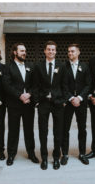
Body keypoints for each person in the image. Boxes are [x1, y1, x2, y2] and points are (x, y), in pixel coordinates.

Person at [1, 43, 37, 166]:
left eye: (25, 50)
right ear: (15, 52)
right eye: (21, 50)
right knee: (13, 130)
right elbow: (7, 85)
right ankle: (11, 154)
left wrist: (29, 94)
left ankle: (31, 153)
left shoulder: (30, 66)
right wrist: (20, 95)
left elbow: (35, 84)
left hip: (28, 104)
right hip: (14, 104)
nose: (24, 53)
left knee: (29, 130)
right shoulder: (7, 67)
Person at [34, 41, 64, 170]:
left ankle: (56, 157)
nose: (51, 51)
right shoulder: (38, 66)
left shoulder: (61, 66)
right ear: (45, 51)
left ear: (56, 52)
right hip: (43, 103)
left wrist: (62, 100)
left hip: (58, 104)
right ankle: (44, 158)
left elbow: (65, 85)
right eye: (49, 49)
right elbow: (35, 85)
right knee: (43, 132)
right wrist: (38, 99)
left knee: (58, 133)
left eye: (53, 49)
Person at [60, 43, 91, 165]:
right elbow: (63, 85)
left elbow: (88, 84)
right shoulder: (63, 66)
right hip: (68, 103)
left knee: (82, 129)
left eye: (72, 51)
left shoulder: (85, 66)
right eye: (69, 51)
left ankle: (82, 153)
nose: (70, 53)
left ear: (78, 52)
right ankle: (65, 154)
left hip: (81, 103)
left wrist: (79, 97)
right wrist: (71, 98)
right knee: (65, 129)